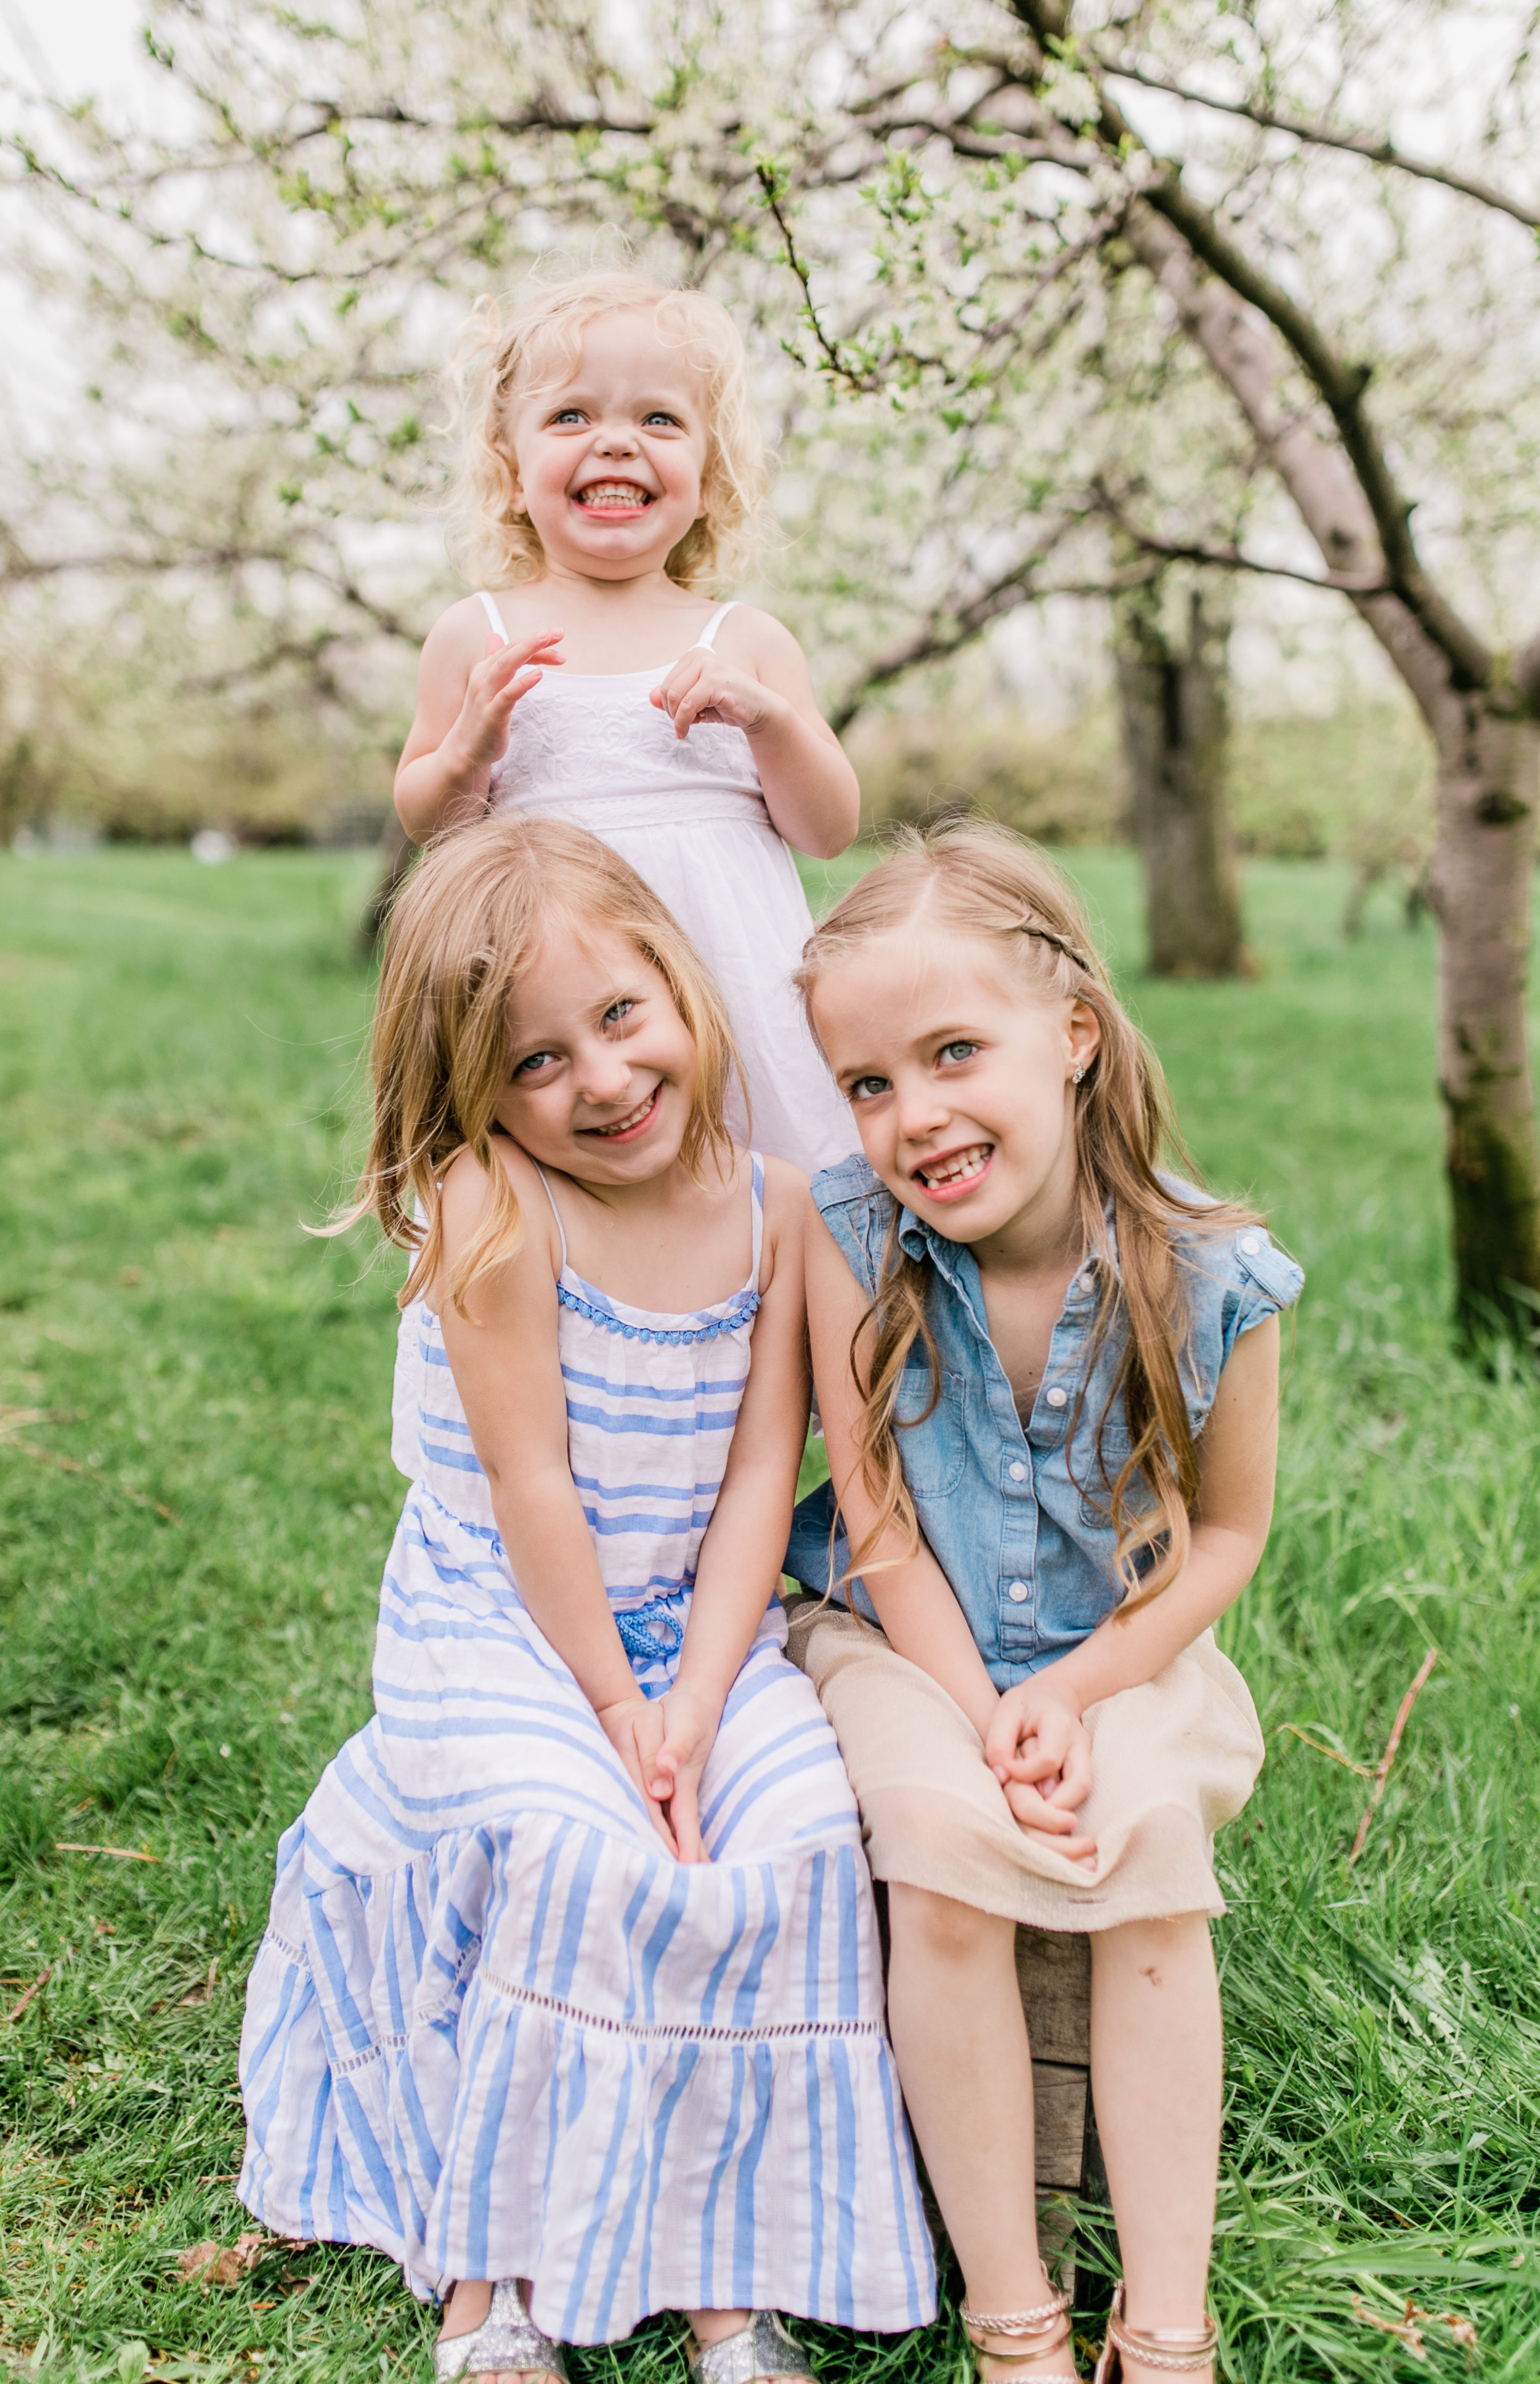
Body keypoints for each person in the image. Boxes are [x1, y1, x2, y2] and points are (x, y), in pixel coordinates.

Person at [237, 816, 934, 2384]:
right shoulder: (497, 1213)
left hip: (701, 1616)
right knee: (579, 1846)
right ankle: (493, 2283)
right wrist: (620, 1718)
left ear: (682, 989)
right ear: (472, 1091)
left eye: (620, 1019)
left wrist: (693, 1696)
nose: (601, 1081)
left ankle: (724, 2271)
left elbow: (765, 1473)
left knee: (796, 1836)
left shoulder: (775, 1206)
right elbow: (536, 1491)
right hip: (501, 1616)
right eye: (535, 1062)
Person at [782, 822, 1302, 2384]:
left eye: (953, 1054)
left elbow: (1223, 1541)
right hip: (894, 1634)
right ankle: (1014, 2321)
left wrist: (1070, 1696)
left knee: (1144, 1861)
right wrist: (984, 1709)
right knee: (943, 1857)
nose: (912, 1117)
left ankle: (1163, 2325)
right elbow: (873, 1520)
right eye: (869, 1084)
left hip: (1124, 1648)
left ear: (1072, 1033)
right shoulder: (846, 1236)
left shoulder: (1213, 1271)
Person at [393, 264, 855, 1178]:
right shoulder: (476, 634)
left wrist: (770, 725)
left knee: (764, 1197)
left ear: (710, 475)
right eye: (571, 417)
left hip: (734, 987)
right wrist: (468, 753)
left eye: (658, 419)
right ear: (509, 469)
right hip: (557, 1007)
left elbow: (830, 828)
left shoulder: (748, 640)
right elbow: (428, 821)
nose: (615, 444)